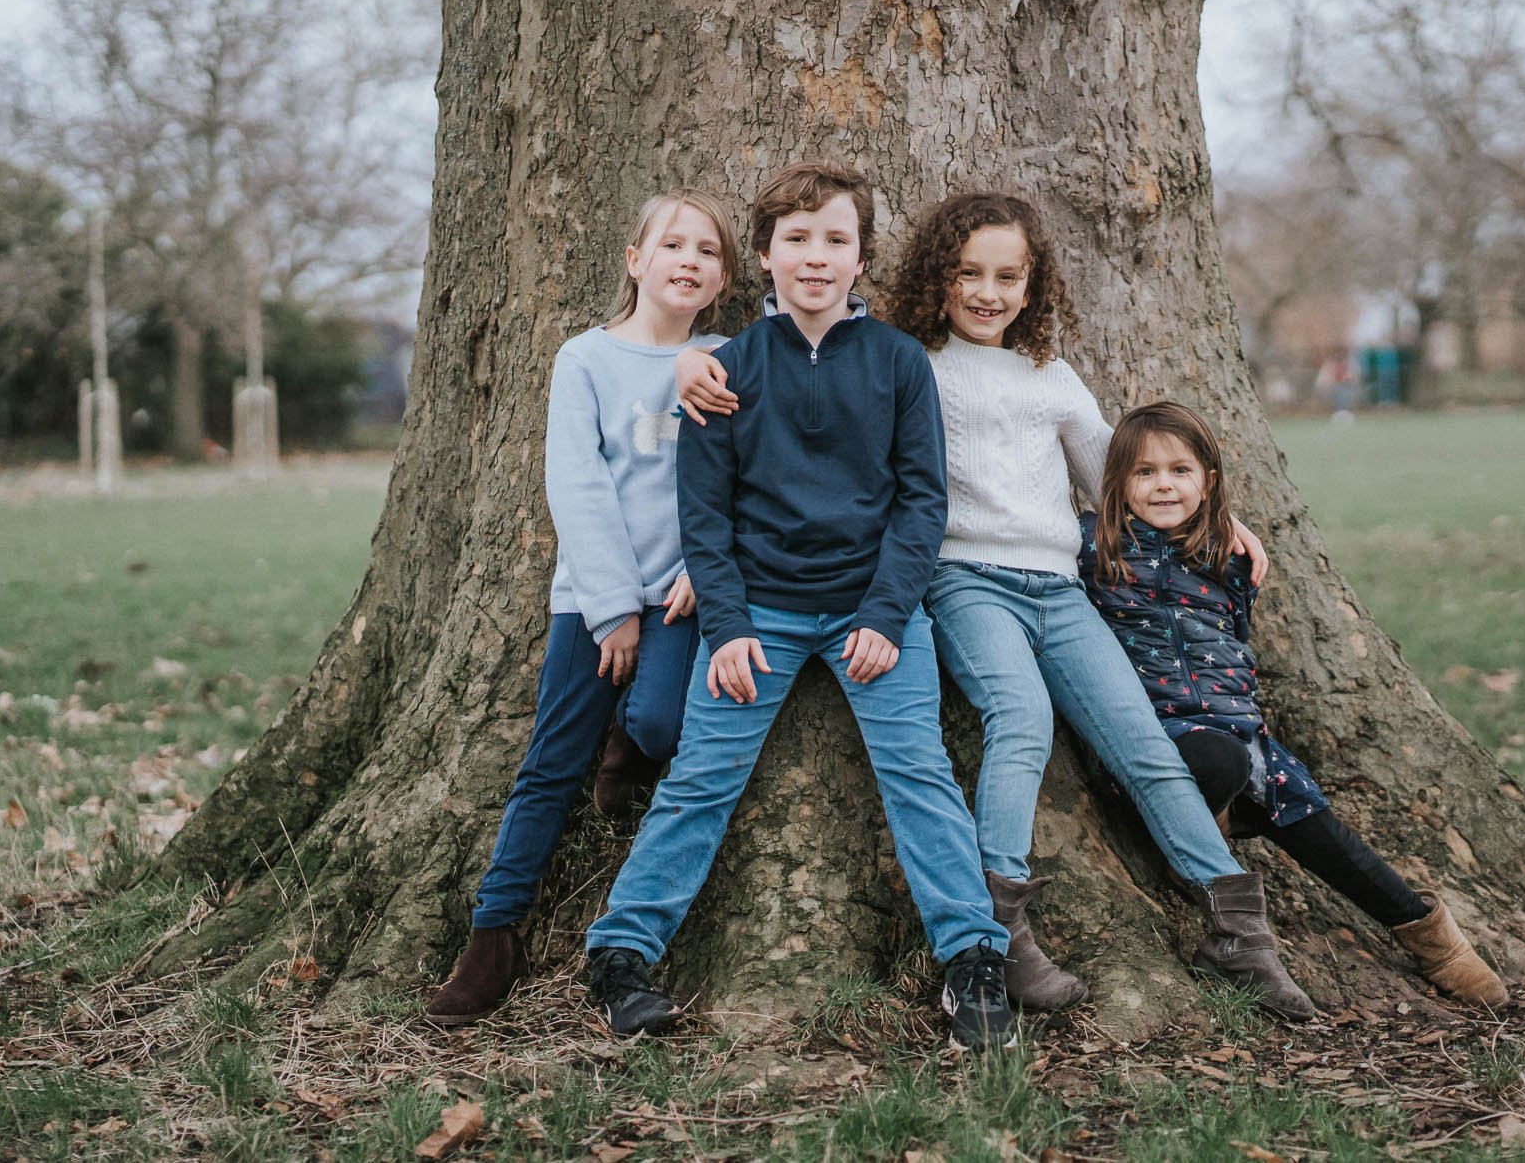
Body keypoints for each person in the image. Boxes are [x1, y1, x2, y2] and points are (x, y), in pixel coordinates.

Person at [685, 191, 1315, 1021]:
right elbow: (806, 363)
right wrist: (688, 356)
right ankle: (1000, 933)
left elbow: (1113, 478)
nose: (987, 291)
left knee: (1146, 746)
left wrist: (1220, 520)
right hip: (964, 580)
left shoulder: (1050, 377)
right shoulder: (908, 363)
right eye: (968, 273)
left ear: (1032, 285)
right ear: (937, 279)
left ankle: (1238, 929)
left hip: (1059, 587)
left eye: (1007, 276)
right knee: (1021, 718)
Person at [582, 162, 1015, 1052]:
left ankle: (973, 956)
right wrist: (731, 629)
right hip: (761, 617)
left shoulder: (898, 362)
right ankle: (621, 954)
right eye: (796, 239)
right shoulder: (725, 369)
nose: (816, 257)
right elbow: (704, 515)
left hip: (874, 616)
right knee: (701, 776)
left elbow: (921, 502)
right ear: (767, 258)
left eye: (836, 240)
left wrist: (889, 616)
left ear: (861, 258)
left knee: (921, 774)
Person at [425, 189, 739, 1027]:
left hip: (685, 595)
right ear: (635, 261)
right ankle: (491, 937)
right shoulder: (587, 359)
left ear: (723, 277)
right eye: (672, 243)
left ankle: (626, 745)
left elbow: (753, 477)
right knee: (548, 769)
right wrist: (610, 608)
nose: (689, 260)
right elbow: (578, 482)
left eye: (707, 251)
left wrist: (711, 570)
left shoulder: (732, 357)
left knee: (667, 728)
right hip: (594, 601)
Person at [1081, 400, 1509, 1009]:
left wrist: (1233, 530)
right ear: (1118, 483)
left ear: (1208, 481)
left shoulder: (1226, 558)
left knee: (1319, 828)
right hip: (1155, 742)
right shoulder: (1094, 552)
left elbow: (1233, 642)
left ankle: (1433, 940)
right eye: (1144, 473)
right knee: (1217, 763)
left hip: (1240, 733)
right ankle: (1193, 830)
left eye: (1179, 470)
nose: (1162, 485)